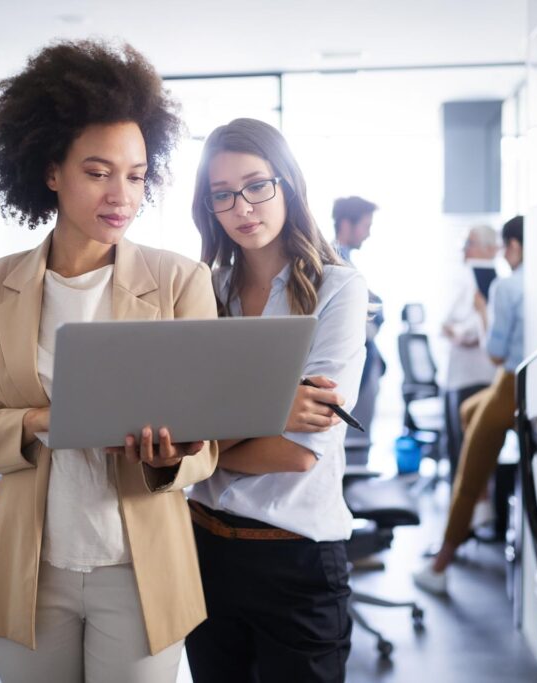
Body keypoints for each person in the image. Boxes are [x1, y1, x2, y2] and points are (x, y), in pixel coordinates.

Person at [0, 40, 219, 682]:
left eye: (137, 174)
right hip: (27, 573)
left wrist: (171, 457)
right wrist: (37, 420)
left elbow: (209, 446)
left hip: (140, 569)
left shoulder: (179, 282)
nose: (122, 194)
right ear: (51, 170)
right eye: (98, 171)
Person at [185, 118, 368, 683]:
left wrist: (204, 441)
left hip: (297, 559)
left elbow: (297, 452)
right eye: (223, 194)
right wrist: (270, 409)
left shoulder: (338, 288)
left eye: (257, 184)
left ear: (287, 182)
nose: (243, 206)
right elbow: (176, 424)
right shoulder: (203, 292)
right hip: (203, 552)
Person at [413, 215, 524, 595]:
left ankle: (440, 565)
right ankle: (484, 500)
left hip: (507, 382)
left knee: (466, 473)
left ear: (510, 247)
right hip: (521, 385)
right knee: (467, 412)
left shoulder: (506, 287)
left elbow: (496, 352)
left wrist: (481, 315)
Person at [440, 225, 499, 526]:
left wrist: (458, 333)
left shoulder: (488, 279)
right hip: (455, 377)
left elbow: (476, 330)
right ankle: (460, 523)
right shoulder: (466, 278)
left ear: (492, 249)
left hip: (476, 377)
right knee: (455, 452)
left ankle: (469, 524)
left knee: (468, 457)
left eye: (472, 243)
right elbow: (446, 324)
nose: (466, 250)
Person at [331, 196, 385, 462]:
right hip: (355, 367)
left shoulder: (346, 262)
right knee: (354, 442)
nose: (368, 232)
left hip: (366, 363)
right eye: (366, 225)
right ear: (346, 224)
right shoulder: (335, 265)